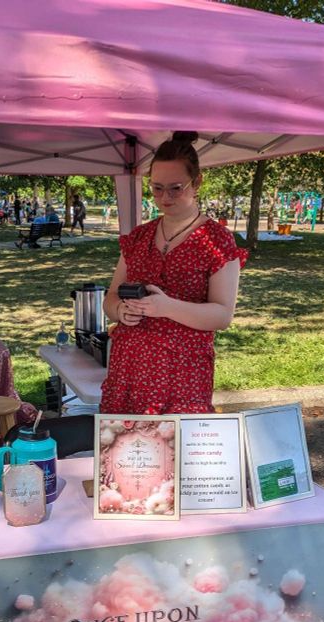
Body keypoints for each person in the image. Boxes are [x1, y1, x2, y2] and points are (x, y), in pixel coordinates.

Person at [100, 131, 247, 415]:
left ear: (197, 183)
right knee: (129, 454)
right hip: (129, 371)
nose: (164, 197)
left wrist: (166, 307)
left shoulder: (217, 240)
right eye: (156, 188)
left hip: (182, 375)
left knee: (178, 454)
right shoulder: (139, 237)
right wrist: (120, 311)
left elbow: (222, 315)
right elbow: (110, 299)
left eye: (175, 188)